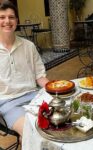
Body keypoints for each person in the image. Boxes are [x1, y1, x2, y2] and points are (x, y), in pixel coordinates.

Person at [0, 0, 49, 140]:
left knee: (57, 124)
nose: (7, 21)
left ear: (17, 20)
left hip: (34, 97)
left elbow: (40, 76)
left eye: (11, 17)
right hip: (8, 103)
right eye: (2, 17)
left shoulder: (28, 46)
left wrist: (55, 88)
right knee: (31, 132)